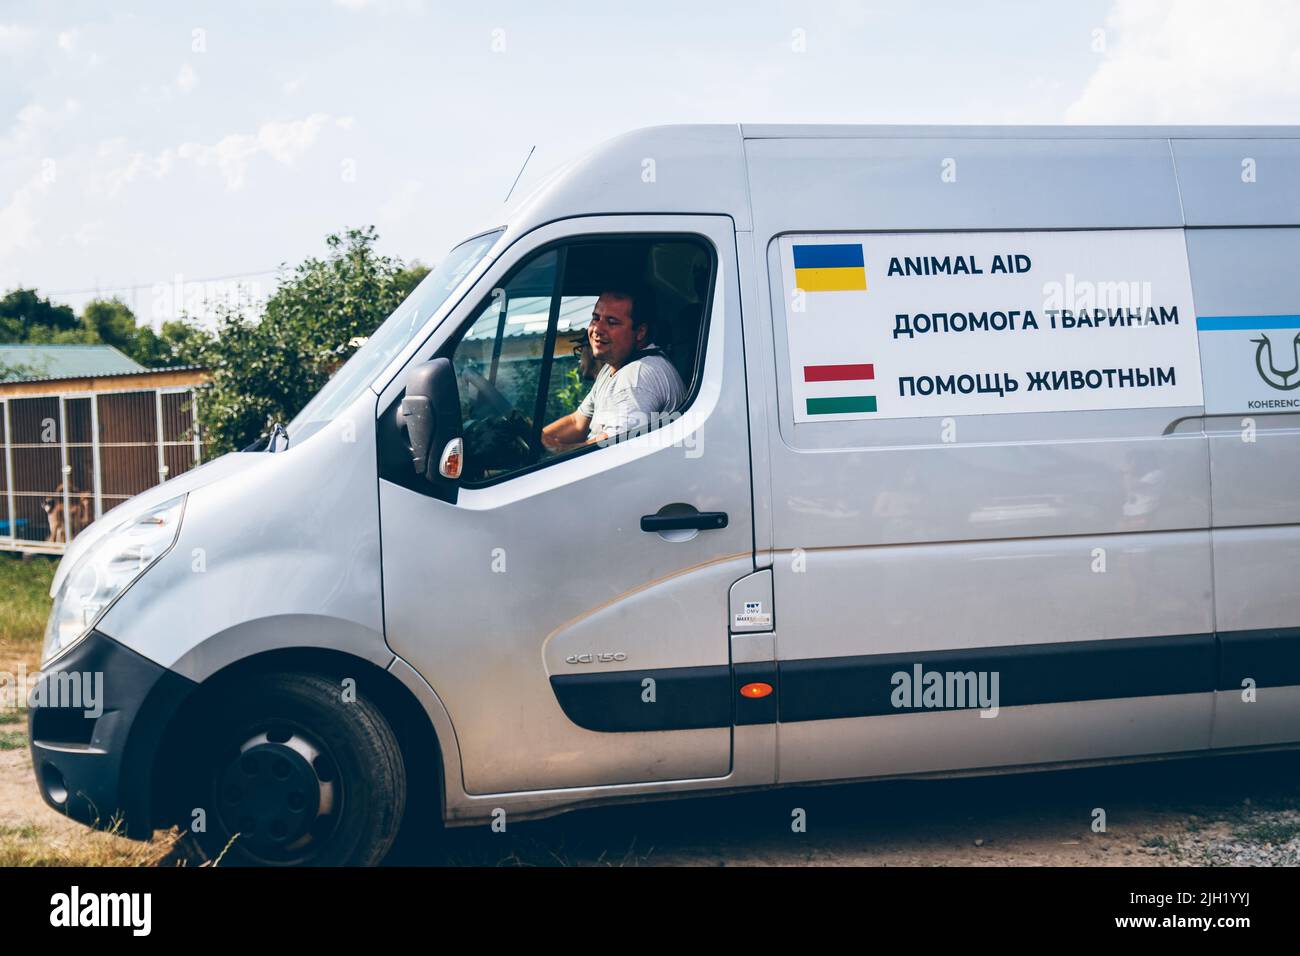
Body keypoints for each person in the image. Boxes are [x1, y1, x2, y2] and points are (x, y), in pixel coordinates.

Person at [541, 288, 685, 452]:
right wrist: (538, 440)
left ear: (640, 332)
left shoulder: (637, 379)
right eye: (596, 318)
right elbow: (577, 422)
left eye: (611, 322)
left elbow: (612, 450)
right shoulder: (613, 366)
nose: (597, 329)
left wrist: (556, 451)